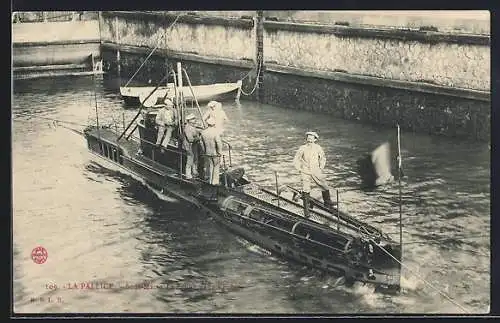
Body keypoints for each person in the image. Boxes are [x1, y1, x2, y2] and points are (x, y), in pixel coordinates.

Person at [293, 131, 334, 209]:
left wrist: (321, 167)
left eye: (311, 138)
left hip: (315, 169)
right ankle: (306, 207)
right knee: (306, 188)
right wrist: (299, 169)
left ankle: (328, 203)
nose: (309, 140)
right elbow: (296, 159)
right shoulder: (302, 148)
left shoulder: (318, 148)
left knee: (324, 185)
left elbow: (323, 158)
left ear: (315, 140)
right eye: (308, 138)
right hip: (305, 170)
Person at [200, 117, 223, 185]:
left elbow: (201, 143)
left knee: (210, 167)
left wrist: (204, 151)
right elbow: (218, 143)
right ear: (214, 124)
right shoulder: (216, 132)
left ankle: (210, 181)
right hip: (215, 153)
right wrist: (219, 152)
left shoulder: (203, 132)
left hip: (207, 152)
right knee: (216, 167)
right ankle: (215, 182)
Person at [182, 113, 201, 179]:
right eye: (193, 119)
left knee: (195, 158)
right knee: (190, 160)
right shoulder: (187, 128)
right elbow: (190, 139)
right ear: (189, 120)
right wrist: (198, 138)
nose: (194, 120)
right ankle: (188, 175)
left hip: (194, 145)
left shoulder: (192, 127)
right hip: (189, 146)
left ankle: (194, 172)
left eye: (194, 118)